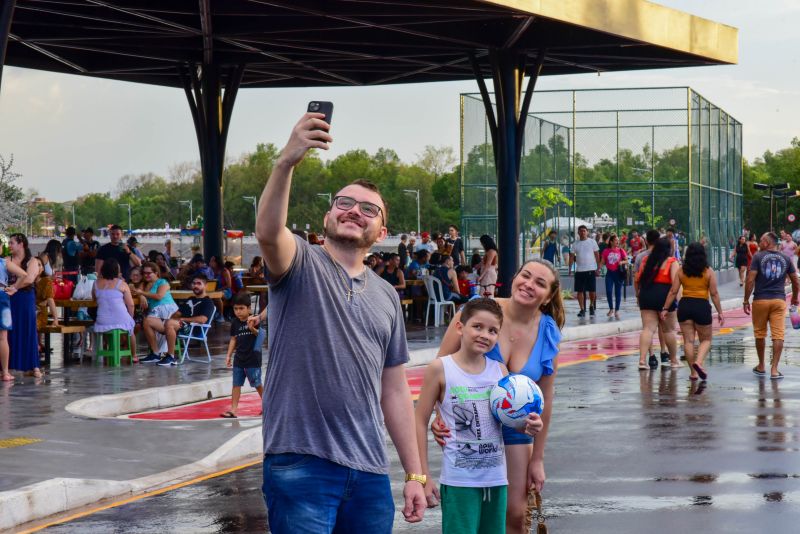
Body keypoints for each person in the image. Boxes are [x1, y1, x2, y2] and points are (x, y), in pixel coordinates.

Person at [255, 111, 425, 531]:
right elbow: (267, 232)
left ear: (382, 228)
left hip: (368, 472)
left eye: (369, 209)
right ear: (329, 216)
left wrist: (415, 474)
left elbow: (395, 390)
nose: (354, 212)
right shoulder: (298, 261)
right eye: (344, 203)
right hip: (301, 463)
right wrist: (286, 162)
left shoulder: (387, 296)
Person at [432, 259, 563, 534]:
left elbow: (546, 400)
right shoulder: (481, 310)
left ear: (548, 296)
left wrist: (538, 459)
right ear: (514, 277)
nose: (529, 284)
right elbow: (441, 366)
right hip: (473, 428)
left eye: (540, 283)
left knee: (514, 515)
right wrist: (437, 415)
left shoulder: (548, 331)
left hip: (517, 430)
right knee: (471, 514)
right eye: (525, 276)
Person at [415, 298, 542, 534]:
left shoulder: (499, 372)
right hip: (459, 482)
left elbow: (507, 421)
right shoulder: (440, 368)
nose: (485, 334)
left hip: (496, 481)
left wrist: (529, 425)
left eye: (493, 330)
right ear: (460, 327)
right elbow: (419, 421)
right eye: (477, 326)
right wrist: (422, 476)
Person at [661, 243, 724, 381]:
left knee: (688, 341)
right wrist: (720, 312)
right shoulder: (708, 271)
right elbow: (714, 294)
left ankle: (693, 373)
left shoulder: (682, 271)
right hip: (701, 306)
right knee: (706, 339)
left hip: (685, 306)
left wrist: (665, 308)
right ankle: (699, 362)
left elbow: (673, 291)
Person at [744, 232, 800, 380]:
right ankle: (774, 369)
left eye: (761, 240)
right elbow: (795, 280)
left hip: (760, 300)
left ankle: (761, 365)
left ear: (768, 242)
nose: (759, 242)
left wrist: (745, 300)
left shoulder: (757, 257)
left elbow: (750, 280)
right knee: (778, 335)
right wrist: (794, 298)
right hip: (778, 301)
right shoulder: (786, 258)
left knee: (760, 333)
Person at [635, 237, 680, 370]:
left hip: (646, 295)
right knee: (669, 330)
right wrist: (677, 301)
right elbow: (675, 285)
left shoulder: (645, 260)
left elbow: (637, 279)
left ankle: (642, 361)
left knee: (647, 329)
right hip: (664, 296)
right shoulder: (672, 262)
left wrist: (638, 295)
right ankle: (673, 360)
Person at [221, 291, 266, 418]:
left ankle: (268, 405)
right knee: (236, 384)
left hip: (253, 359)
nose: (238, 312)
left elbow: (262, 336)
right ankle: (233, 409)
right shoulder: (235, 323)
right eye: (236, 309)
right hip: (239, 359)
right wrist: (229, 355)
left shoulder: (255, 320)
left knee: (257, 383)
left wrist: (252, 329)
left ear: (249, 309)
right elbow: (233, 339)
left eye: (241, 308)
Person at [7, 234, 43, 378]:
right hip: (10, 298)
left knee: (28, 329)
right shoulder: (7, 261)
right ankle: (8, 365)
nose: (9, 245)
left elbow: (29, 278)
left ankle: (33, 365)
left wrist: (14, 287)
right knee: (9, 331)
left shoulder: (32, 260)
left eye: (12, 243)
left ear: (21, 244)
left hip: (25, 297)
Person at [135, 262, 180, 366]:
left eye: (148, 273)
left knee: (151, 321)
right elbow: (136, 291)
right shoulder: (144, 284)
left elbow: (159, 296)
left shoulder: (162, 282)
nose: (146, 275)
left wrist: (142, 294)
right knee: (146, 321)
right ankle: (156, 354)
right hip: (155, 314)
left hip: (169, 312)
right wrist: (141, 296)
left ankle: (171, 356)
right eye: (144, 273)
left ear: (156, 273)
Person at [93, 258, 137, 359]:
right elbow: (131, 305)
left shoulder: (96, 283)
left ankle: (106, 352)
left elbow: (94, 298)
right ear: (117, 270)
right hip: (120, 318)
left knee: (108, 327)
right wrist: (131, 317)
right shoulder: (122, 284)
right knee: (131, 328)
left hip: (102, 321)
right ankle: (134, 356)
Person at [0, 238, 28, 381]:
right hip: (2, 296)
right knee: (3, 337)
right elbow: (24, 274)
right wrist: (14, 288)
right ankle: (5, 372)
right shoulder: (4, 262)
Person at [571, 225, 600, 318]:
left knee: (592, 290)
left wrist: (598, 268)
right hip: (579, 270)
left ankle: (591, 305)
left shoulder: (592, 242)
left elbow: (597, 255)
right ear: (578, 233)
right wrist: (570, 269)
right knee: (579, 291)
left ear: (587, 232)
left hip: (591, 269)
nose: (582, 232)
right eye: (581, 231)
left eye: (584, 231)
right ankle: (582, 309)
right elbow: (571, 257)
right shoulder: (575, 244)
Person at [601, 234, 628, 319]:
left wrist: (622, 262)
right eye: (616, 240)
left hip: (618, 273)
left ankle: (617, 310)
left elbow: (627, 260)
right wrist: (598, 269)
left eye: (618, 240)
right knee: (609, 291)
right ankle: (611, 308)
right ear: (611, 241)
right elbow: (602, 262)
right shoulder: (606, 251)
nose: (618, 241)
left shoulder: (621, 250)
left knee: (618, 292)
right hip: (609, 273)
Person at [209, 255, 232, 322]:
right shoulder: (211, 271)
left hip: (226, 292)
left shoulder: (224, 271)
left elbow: (229, 285)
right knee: (207, 296)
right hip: (215, 291)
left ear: (217, 262)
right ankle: (213, 314)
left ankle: (221, 316)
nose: (210, 262)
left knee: (216, 296)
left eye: (212, 261)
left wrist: (217, 291)